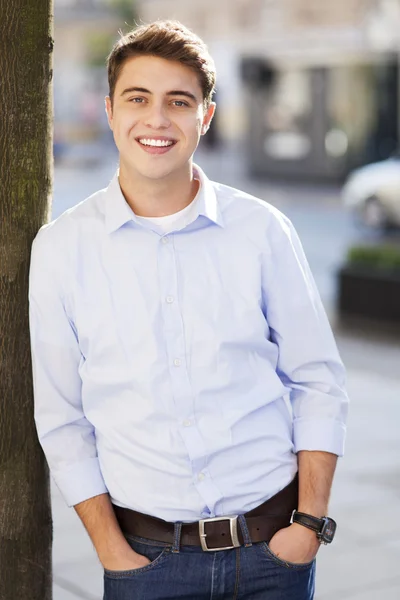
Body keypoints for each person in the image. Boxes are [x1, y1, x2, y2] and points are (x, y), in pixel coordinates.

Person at [29, 20, 349, 600]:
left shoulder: (263, 231)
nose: (157, 119)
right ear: (109, 110)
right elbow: (62, 419)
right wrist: (112, 553)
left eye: (179, 102)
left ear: (205, 116)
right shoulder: (61, 249)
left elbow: (317, 379)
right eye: (137, 99)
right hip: (145, 564)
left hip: (275, 550)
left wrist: (308, 525)